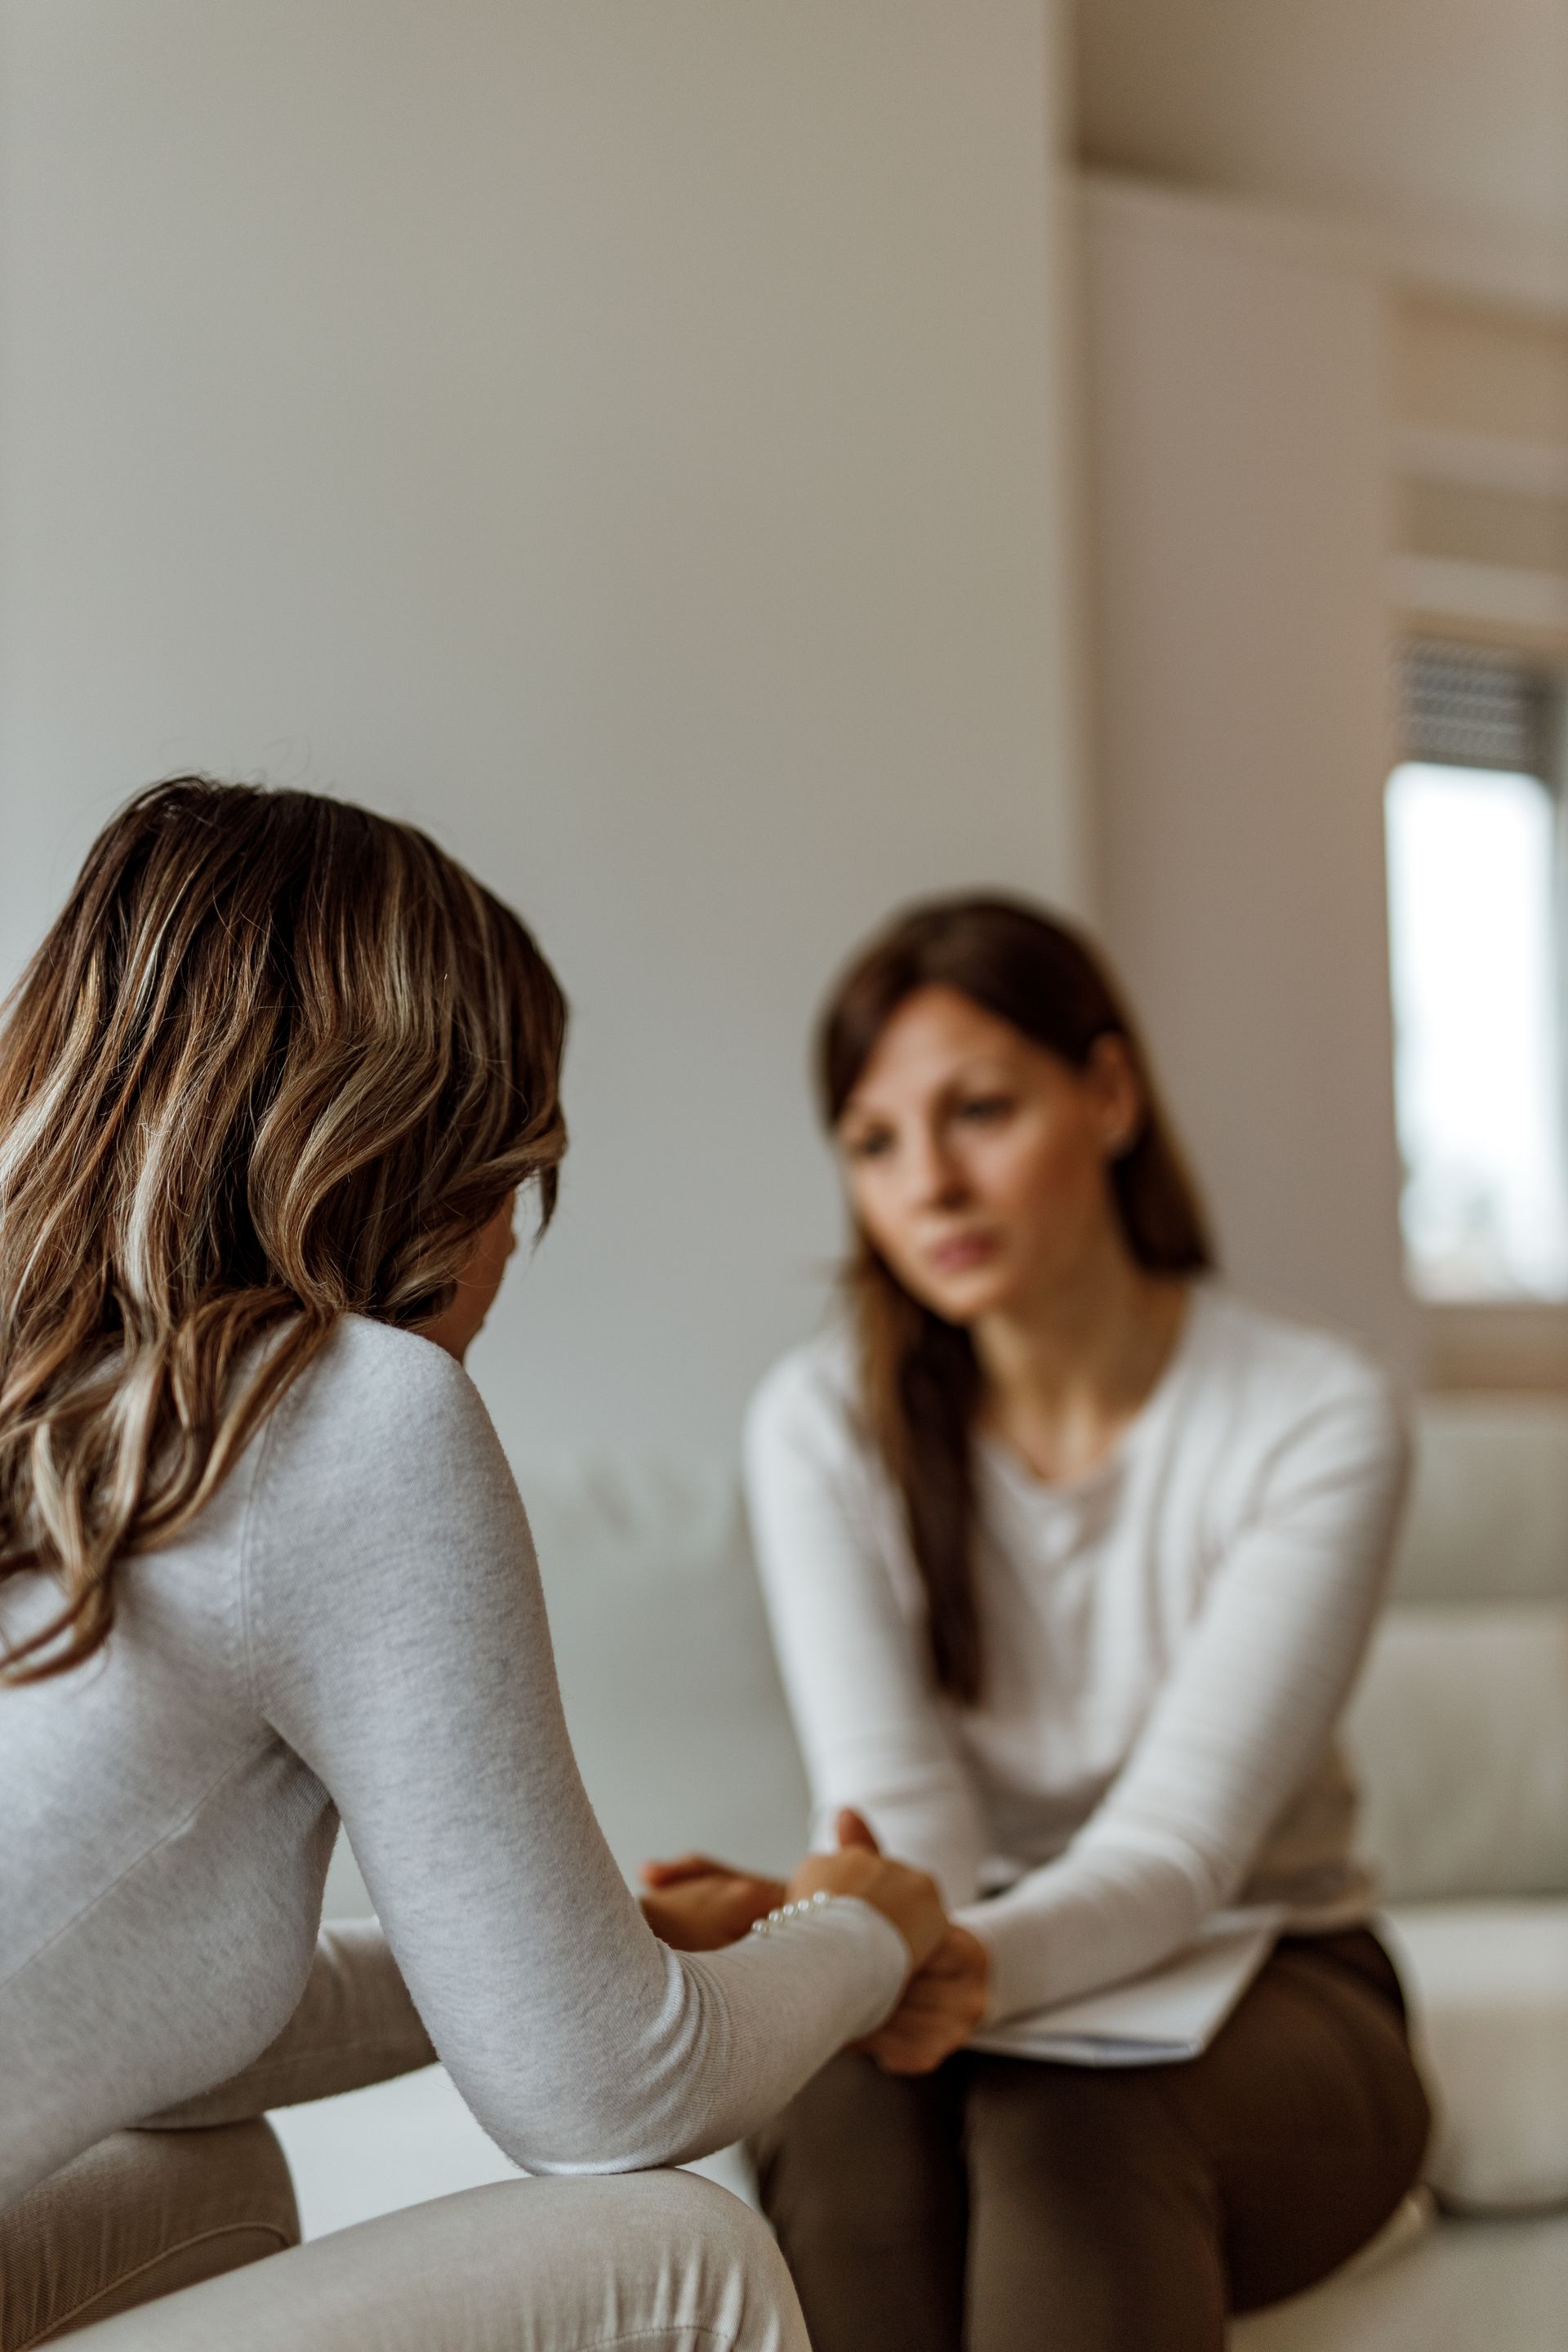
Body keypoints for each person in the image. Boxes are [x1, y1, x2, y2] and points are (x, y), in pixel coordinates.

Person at [0, 780, 951, 2352]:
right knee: (676, 2251)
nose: (512, 1243)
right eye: (515, 1174)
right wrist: (865, 1928)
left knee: (200, 2177)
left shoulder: (72, 1407)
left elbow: (124, 2014)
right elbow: (608, 2098)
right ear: (408, 1149)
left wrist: (619, 1950)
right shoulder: (342, 1411)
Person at [655, 895, 1431, 2352]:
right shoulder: (822, 1423)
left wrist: (940, 1963)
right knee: (840, 2105)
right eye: (876, 1145)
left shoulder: (1313, 1414)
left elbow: (1180, 1853)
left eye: (982, 1112)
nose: (930, 1184)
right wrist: (871, 1946)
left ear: (1112, 1094)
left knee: (1061, 2112)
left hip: (1277, 1970)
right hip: (949, 1959)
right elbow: (913, 1827)